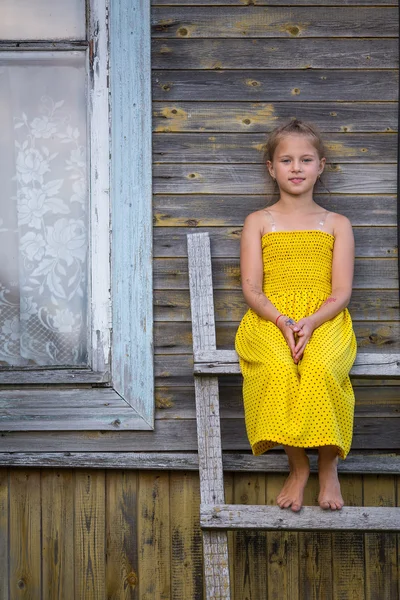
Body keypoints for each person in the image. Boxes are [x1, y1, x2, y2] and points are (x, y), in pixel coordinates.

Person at [235, 118, 357, 512]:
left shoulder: (337, 224)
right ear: (271, 168)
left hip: (324, 318)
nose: (296, 168)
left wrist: (311, 322)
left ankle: (328, 464)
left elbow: (341, 292)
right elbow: (252, 287)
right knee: (278, 365)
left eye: (306, 160)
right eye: (286, 160)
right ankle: (298, 465)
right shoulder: (259, 221)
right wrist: (284, 321)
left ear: (321, 165)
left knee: (320, 366)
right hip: (270, 318)